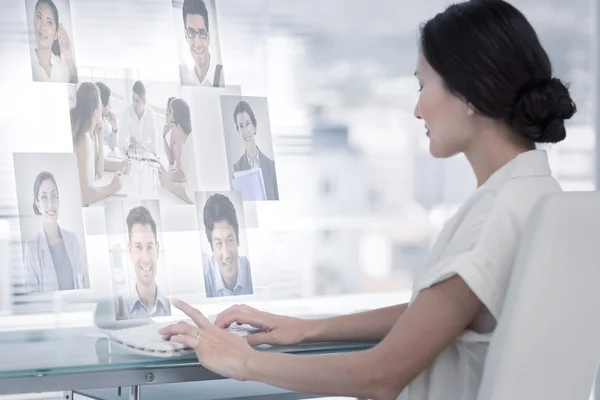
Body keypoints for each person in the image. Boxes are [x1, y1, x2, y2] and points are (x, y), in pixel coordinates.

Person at [159, 1, 577, 399]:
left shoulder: (491, 219)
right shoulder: (536, 195)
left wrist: (243, 362)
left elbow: (380, 376)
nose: (417, 109)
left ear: (469, 94)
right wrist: (307, 329)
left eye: (422, 85)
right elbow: (435, 319)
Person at [24, 172, 86, 292]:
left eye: (54, 196)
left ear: (58, 199)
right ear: (37, 204)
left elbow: (82, 285)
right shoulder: (31, 248)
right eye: (44, 197)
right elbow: (32, 297)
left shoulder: (72, 240)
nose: (51, 204)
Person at [71, 82, 123, 207]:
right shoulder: (83, 139)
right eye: (100, 104)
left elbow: (99, 172)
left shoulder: (90, 133)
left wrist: (99, 137)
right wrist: (111, 188)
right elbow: (84, 196)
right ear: (95, 112)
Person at [115, 206, 171, 320]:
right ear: (130, 250)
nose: (145, 258)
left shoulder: (171, 307)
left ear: (157, 249)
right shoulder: (118, 310)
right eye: (138, 247)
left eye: (150, 247)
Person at [201, 193, 253, 298]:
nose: (226, 254)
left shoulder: (252, 270)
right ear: (212, 247)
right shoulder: (204, 278)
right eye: (218, 243)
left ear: (237, 239)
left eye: (230, 240)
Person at [231, 101, 279, 200]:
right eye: (241, 126)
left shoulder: (271, 166)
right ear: (238, 131)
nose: (245, 131)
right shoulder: (236, 169)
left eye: (247, 124)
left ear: (254, 126)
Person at [158, 98, 198, 205]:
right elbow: (183, 173)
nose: (171, 129)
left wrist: (169, 186)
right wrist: (167, 175)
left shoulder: (192, 150)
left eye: (172, 126)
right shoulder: (187, 143)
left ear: (178, 127)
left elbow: (192, 196)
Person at [30, 0, 78, 83]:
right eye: (39, 17)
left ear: (56, 34)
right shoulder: (27, 61)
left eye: (49, 22)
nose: (43, 26)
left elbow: (74, 84)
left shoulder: (62, 66)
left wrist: (68, 55)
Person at [179, 0, 225, 87]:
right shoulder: (187, 81)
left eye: (201, 33)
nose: (197, 43)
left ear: (208, 37)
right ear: (186, 36)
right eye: (191, 32)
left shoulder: (223, 76)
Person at [94, 82, 131, 174]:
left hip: (106, 160)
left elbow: (112, 146)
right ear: (101, 106)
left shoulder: (104, 120)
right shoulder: (93, 125)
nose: (111, 107)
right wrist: (120, 165)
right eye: (109, 104)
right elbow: (98, 163)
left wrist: (114, 127)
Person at [119, 81, 159, 154]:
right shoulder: (127, 111)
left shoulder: (150, 115)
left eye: (137, 101)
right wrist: (131, 146)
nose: (134, 103)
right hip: (132, 155)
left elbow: (155, 146)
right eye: (133, 99)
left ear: (144, 101)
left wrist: (138, 146)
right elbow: (120, 139)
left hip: (146, 157)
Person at [161, 97, 182, 170]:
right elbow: (171, 160)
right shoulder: (173, 132)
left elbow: (179, 167)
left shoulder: (181, 134)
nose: (165, 116)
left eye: (167, 113)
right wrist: (164, 137)